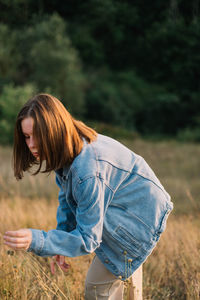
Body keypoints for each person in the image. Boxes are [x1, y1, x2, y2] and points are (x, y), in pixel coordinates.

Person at [3, 94, 173, 299]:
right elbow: (68, 197)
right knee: (123, 284)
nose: (31, 144)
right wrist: (61, 237)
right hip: (132, 209)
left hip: (139, 218)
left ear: (54, 129)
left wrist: (38, 240)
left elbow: (88, 239)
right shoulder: (71, 147)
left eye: (36, 135)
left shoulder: (87, 171)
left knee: (96, 287)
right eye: (27, 137)